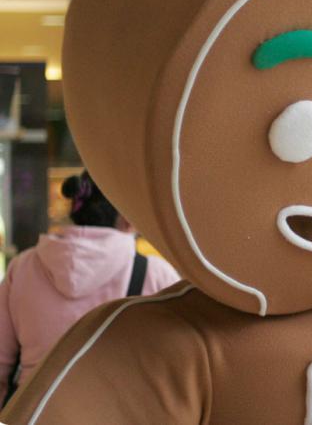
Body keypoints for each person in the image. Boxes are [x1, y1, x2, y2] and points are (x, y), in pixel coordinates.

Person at [0, 171, 180, 403]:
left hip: (33, 413)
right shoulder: (156, 276)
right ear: (128, 215)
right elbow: (177, 370)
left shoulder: (21, 268)